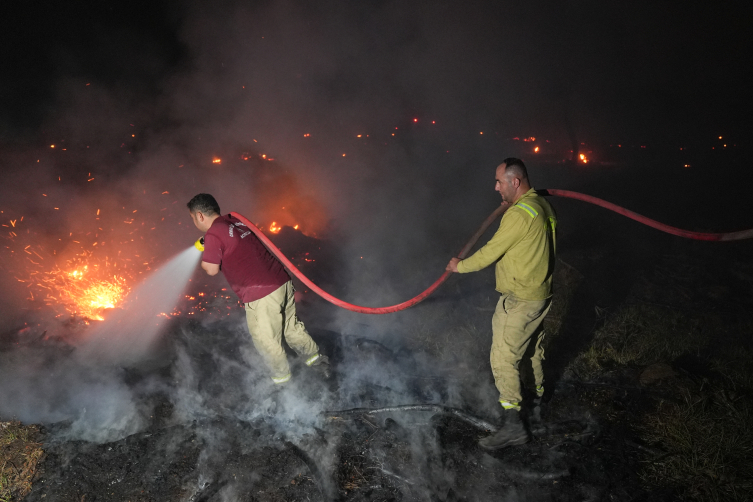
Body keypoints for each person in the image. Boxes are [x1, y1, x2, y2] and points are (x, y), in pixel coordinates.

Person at [446, 158, 556, 450]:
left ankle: (513, 425)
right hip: (539, 294)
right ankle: (536, 406)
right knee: (532, 350)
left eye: (499, 182)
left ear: (515, 182)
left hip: (520, 299)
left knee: (503, 357)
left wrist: (460, 266)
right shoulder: (541, 206)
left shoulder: (519, 214)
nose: (496, 188)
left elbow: (489, 252)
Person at [187, 193, 329, 385]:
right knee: (291, 328)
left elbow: (211, 269)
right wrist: (210, 245)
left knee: (266, 341)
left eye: (192, 218)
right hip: (281, 282)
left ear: (200, 215)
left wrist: (207, 253)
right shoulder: (235, 221)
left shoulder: (214, 233)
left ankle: (283, 385)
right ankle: (318, 363)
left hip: (261, 292)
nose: (194, 222)